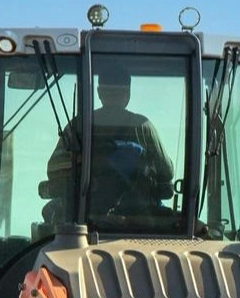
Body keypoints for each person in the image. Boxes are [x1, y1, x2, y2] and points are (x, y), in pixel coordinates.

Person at [43, 71, 176, 224]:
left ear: (99, 93)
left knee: (49, 211)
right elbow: (166, 172)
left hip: (81, 220)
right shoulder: (143, 126)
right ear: (128, 93)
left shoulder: (77, 124)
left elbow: (53, 170)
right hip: (137, 220)